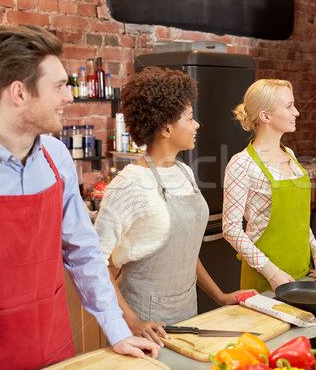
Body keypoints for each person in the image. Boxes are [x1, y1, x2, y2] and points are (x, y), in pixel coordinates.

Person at [0, 25, 159, 370]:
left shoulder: (56, 157)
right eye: (59, 86)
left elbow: (84, 252)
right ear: (19, 93)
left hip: (55, 351)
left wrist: (117, 331)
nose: (68, 98)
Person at [94, 67, 255, 347]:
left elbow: (185, 249)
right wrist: (132, 321)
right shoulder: (129, 184)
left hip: (187, 314)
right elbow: (96, 263)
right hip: (143, 322)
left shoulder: (184, 172)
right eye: (190, 118)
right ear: (167, 128)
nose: (197, 125)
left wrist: (220, 296)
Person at [222, 79, 316, 293]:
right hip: (265, 280)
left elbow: (298, 217)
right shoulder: (241, 163)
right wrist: (271, 273)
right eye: (289, 106)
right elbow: (231, 229)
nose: (297, 112)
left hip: (304, 272)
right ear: (265, 116)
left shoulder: (289, 154)